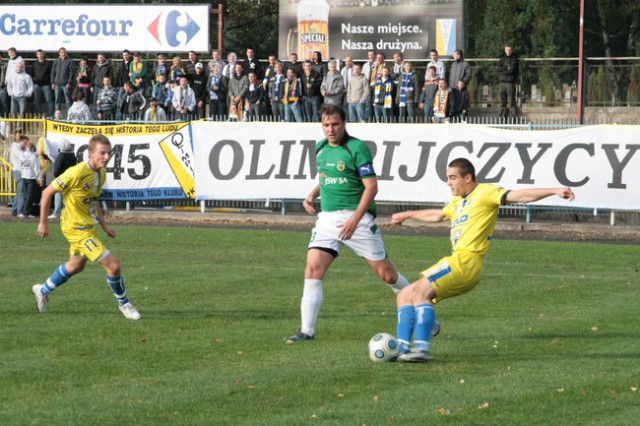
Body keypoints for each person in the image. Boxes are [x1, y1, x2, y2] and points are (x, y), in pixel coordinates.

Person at [390, 158, 576, 362]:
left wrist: (554, 190)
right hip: (458, 260)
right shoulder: (457, 201)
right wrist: (407, 214)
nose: (449, 182)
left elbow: (519, 195)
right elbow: (437, 215)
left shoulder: (485, 193)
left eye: (452, 177)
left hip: (466, 261)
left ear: (468, 177)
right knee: (404, 294)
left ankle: (422, 349)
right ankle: (402, 349)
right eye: (447, 178)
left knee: (419, 293)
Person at [285, 104, 410, 344]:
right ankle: (306, 331)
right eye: (326, 125)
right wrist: (312, 195)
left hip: (358, 220)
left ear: (344, 124)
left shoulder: (357, 148)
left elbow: (371, 187)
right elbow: (326, 176)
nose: (330, 129)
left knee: (387, 275)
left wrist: (354, 220)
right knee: (313, 269)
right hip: (328, 220)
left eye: (335, 124)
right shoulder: (320, 148)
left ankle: (420, 304)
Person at [33, 134, 141, 320]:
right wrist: (43, 222)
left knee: (75, 266)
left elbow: (93, 200)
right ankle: (125, 305)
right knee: (113, 265)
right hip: (75, 229)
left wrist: (105, 226)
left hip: (88, 227)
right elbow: (47, 192)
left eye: (109, 153)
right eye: (102, 153)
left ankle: (43, 290)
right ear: (90, 154)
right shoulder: (75, 172)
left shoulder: (101, 172)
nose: (107, 157)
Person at [49, 139, 77, 219]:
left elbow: (56, 171)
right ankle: (68, 213)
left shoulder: (61, 156)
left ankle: (56, 213)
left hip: (61, 178)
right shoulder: (73, 155)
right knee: (68, 197)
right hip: (71, 179)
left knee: (58, 195)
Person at [19, 137, 41, 217]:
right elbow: (37, 170)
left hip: (23, 176)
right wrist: (40, 179)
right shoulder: (33, 157)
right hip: (31, 177)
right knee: (30, 195)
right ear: (32, 148)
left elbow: (20, 166)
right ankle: (26, 212)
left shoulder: (22, 156)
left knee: (25, 195)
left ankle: (24, 211)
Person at [498, 44, 519, 118]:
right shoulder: (502, 59)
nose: (508, 51)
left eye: (510, 50)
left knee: (511, 101)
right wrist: (506, 68)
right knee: (503, 101)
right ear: (505, 50)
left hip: (510, 82)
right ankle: (502, 117)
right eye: (507, 50)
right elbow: (498, 69)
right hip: (502, 82)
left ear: (512, 50)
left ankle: (513, 117)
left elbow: (512, 70)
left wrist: (504, 70)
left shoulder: (514, 59)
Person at [31, 49, 54, 117]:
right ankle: (37, 115)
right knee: (36, 101)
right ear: (36, 55)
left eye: (41, 54)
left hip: (46, 85)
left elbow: (51, 73)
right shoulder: (34, 64)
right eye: (38, 54)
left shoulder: (48, 63)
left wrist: (48, 80)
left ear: (43, 55)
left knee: (49, 101)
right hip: (36, 85)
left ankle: (50, 116)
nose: (40, 56)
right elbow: (32, 74)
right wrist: (35, 79)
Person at [51, 47, 74, 112]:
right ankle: (57, 116)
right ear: (59, 53)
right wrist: (52, 82)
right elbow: (53, 72)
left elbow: (71, 73)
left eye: (65, 52)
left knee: (68, 101)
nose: (63, 54)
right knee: (57, 100)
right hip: (57, 84)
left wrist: (69, 83)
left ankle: (69, 116)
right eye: (62, 52)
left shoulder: (70, 61)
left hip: (65, 84)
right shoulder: (56, 61)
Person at [9, 130, 25, 216]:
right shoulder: (15, 146)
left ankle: (14, 211)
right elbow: (22, 156)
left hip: (20, 170)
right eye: (18, 135)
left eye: (21, 135)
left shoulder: (20, 146)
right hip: (18, 171)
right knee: (22, 191)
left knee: (19, 191)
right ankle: (20, 211)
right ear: (15, 136)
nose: (19, 137)